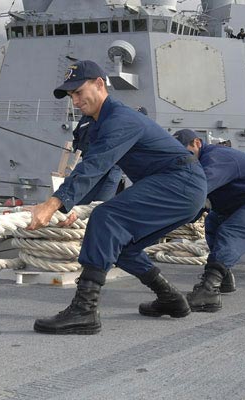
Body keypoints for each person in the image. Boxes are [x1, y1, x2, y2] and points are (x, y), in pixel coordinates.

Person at [28, 60, 207, 335]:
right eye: (71, 95)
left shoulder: (120, 119)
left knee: (106, 218)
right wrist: (70, 207)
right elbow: (97, 171)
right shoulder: (97, 123)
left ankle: (84, 310)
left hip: (179, 183)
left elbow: (94, 166)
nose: (75, 101)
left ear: (100, 84)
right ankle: (171, 298)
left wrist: (53, 204)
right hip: (179, 187)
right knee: (122, 248)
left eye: (79, 92)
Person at [173, 129, 245, 312]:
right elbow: (197, 205)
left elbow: (196, 190)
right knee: (213, 223)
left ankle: (209, 290)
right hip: (244, 204)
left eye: (185, 152)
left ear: (197, 143)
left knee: (229, 233)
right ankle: (224, 278)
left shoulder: (217, 158)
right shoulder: (199, 163)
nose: (182, 158)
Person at [71, 115, 122, 203]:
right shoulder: (85, 119)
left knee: (101, 203)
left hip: (109, 169)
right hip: (88, 166)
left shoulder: (112, 117)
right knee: (82, 201)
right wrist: (79, 149)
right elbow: (76, 136)